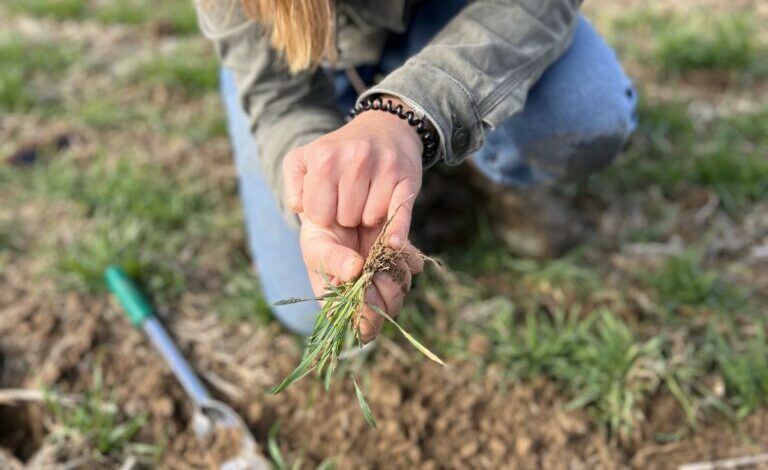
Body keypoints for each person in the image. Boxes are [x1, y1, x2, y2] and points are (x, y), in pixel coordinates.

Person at [194, 0, 638, 339]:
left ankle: (483, 160)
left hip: (457, 23)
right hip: (309, 51)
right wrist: (318, 201)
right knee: (310, 311)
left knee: (582, 112)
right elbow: (281, 98)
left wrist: (409, 114)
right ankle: (411, 166)